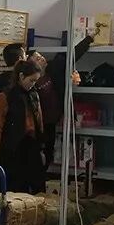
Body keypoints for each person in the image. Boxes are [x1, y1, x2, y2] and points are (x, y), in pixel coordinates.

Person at [31, 32, 94, 171]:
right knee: (35, 154)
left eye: (40, 56)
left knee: (48, 151)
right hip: (36, 123)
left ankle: (42, 175)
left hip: (51, 121)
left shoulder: (55, 67)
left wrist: (88, 39)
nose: (41, 58)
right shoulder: (29, 81)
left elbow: (72, 56)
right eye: (37, 58)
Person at [0, 59, 46, 193]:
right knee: (11, 187)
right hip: (11, 148)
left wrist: (41, 147)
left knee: (36, 186)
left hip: (31, 145)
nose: (33, 84)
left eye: (35, 81)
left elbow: (39, 123)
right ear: (21, 76)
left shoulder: (33, 95)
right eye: (31, 80)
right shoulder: (5, 96)